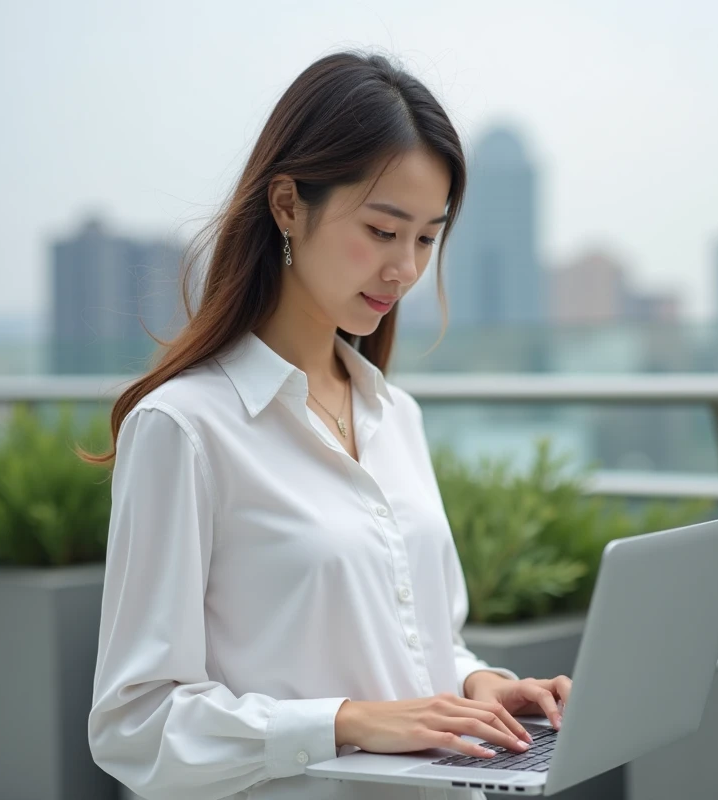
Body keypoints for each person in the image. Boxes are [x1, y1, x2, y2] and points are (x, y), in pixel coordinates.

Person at [83, 50, 571, 800]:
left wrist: (476, 681)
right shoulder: (185, 429)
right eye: (382, 231)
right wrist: (344, 722)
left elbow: (419, 639)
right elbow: (135, 722)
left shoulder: (394, 415)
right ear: (287, 205)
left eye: (427, 238)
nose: (405, 269)